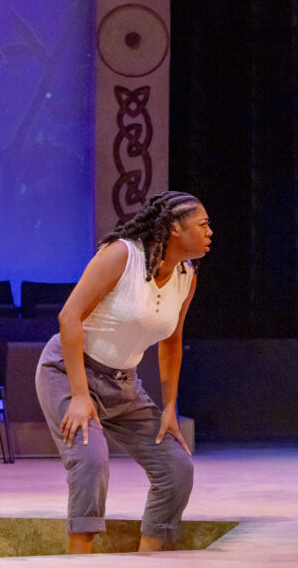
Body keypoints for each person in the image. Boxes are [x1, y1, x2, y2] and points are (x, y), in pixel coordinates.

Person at [35, 190, 212, 554]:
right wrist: (81, 396)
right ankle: (78, 560)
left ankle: (149, 558)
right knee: (90, 461)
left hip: (124, 384)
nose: (210, 232)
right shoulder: (121, 255)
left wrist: (169, 408)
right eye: (203, 224)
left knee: (176, 468)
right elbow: (69, 317)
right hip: (71, 373)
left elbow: (172, 342)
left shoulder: (186, 275)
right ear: (175, 230)